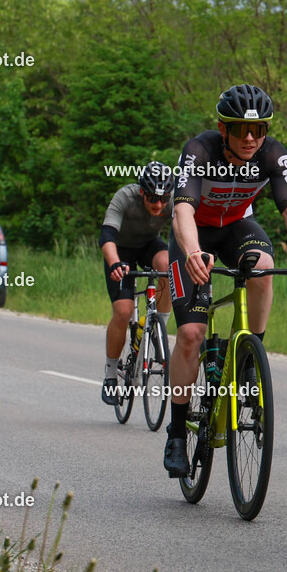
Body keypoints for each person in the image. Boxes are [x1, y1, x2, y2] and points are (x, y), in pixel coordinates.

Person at [163, 84, 287, 477]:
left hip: (236, 227)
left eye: (259, 129)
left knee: (263, 266)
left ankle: (251, 353)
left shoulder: (272, 154)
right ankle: (177, 431)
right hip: (194, 233)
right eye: (241, 130)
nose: (251, 138)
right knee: (191, 335)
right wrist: (193, 251)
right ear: (223, 129)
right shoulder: (199, 150)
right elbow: (182, 211)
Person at [99, 161, 174, 405]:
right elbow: (107, 235)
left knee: (167, 265)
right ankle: (111, 376)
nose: (159, 204)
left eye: (164, 199)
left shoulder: (172, 201)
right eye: (152, 198)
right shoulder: (125, 197)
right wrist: (114, 263)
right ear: (142, 191)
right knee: (123, 311)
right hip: (121, 252)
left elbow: (187, 230)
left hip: (149, 245)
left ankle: (158, 329)